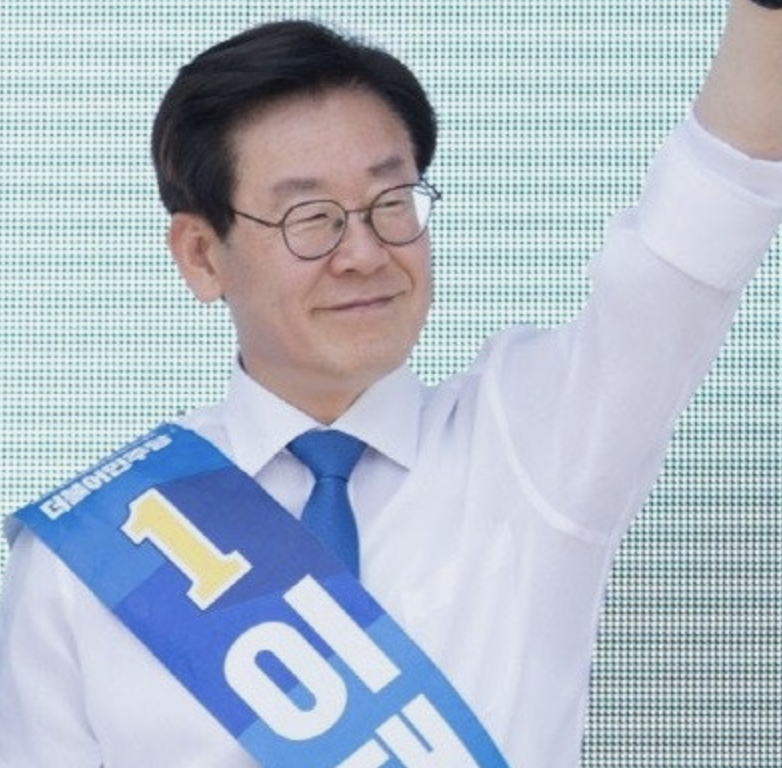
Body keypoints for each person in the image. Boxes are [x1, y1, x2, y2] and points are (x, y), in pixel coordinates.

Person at [1, 2, 781, 766]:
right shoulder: (86, 555)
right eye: (311, 218)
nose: (365, 254)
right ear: (203, 256)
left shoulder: (530, 443)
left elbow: (686, 253)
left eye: (391, 202)